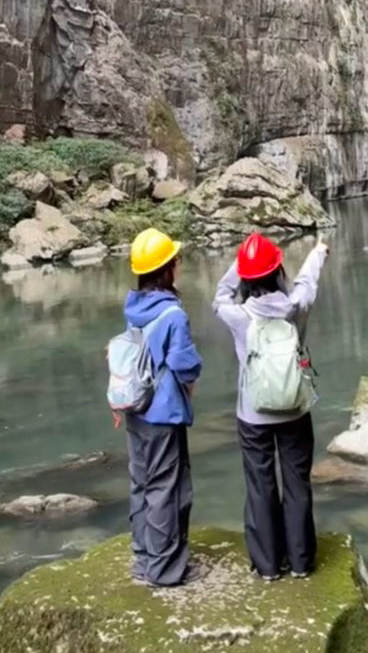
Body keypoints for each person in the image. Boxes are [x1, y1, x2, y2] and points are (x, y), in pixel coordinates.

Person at [213, 232, 329, 581]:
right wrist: (319, 250)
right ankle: (300, 562)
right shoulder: (296, 306)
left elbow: (219, 295)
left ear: (247, 281)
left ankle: (267, 566)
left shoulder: (238, 316)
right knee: (297, 483)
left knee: (260, 485)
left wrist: (241, 262)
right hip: (294, 407)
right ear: (279, 271)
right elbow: (309, 279)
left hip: (252, 415)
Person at [124, 227, 202, 587]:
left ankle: (144, 558)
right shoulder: (172, 314)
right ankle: (166, 570)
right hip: (162, 412)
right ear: (167, 268)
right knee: (167, 488)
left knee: (141, 482)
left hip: (135, 409)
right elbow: (186, 364)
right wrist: (191, 381)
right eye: (176, 261)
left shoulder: (134, 308)